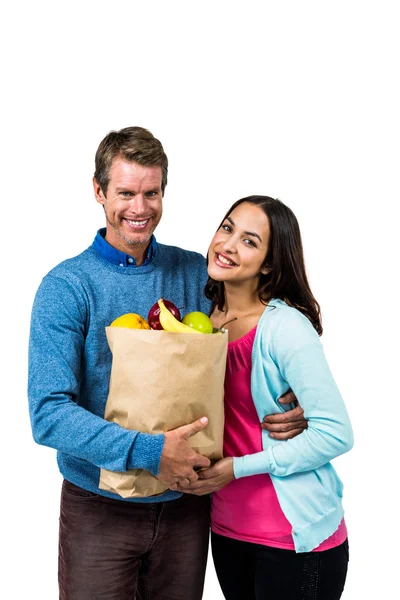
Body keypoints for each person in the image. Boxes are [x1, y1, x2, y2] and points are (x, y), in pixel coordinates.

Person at [28, 129, 307, 600]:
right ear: (98, 192)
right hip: (100, 508)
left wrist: (289, 392)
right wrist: (150, 452)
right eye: (126, 193)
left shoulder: (196, 272)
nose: (139, 208)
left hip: (188, 507)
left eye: (151, 193)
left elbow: (259, 329)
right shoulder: (66, 286)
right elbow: (48, 413)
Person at [175, 196, 354, 600]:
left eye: (249, 241)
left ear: (270, 264)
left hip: (295, 539)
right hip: (226, 530)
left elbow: (336, 433)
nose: (228, 244)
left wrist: (237, 468)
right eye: (227, 228)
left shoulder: (285, 327)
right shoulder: (201, 322)